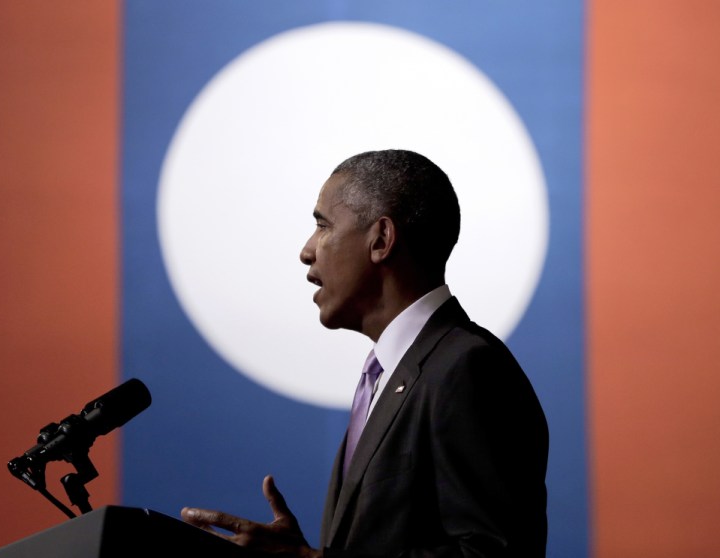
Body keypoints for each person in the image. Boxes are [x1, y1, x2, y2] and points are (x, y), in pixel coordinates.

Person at [181, 150, 549, 558]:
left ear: (381, 240)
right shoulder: (388, 374)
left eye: (322, 225)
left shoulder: (466, 367)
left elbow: (491, 553)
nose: (307, 250)